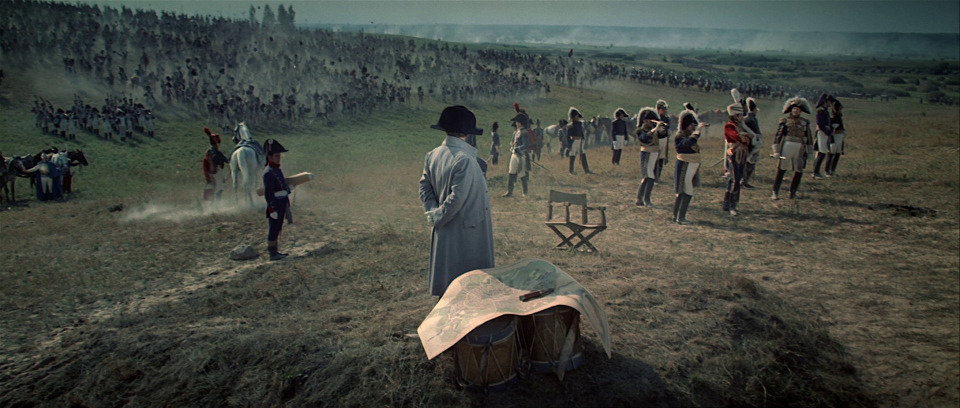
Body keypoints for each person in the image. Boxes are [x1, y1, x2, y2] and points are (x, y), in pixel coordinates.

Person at [419, 105, 495, 297]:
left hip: (448, 226)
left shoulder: (433, 155)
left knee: (450, 280)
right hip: (466, 230)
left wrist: (433, 211)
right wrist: (438, 216)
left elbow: (425, 187)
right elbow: (457, 198)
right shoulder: (464, 159)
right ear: (467, 133)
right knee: (467, 284)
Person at [771, 97, 813, 200]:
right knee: (782, 169)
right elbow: (778, 136)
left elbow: (809, 137)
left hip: (800, 148)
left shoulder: (805, 122)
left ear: (801, 111)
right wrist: (776, 150)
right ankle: (775, 192)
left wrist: (810, 151)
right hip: (787, 146)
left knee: (798, 170)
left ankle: (792, 192)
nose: (795, 111)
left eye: (797, 109)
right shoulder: (785, 121)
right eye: (794, 109)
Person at [673, 109, 707, 224]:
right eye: (691, 124)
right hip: (684, 165)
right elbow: (687, 144)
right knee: (685, 190)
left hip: (690, 165)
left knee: (686, 190)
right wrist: (697, 132)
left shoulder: (688, 135)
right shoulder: (679, 136)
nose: (693, 126)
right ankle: (679, 217)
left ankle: (677, 216)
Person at [263, 139, 291, 261]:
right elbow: (269, 193)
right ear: (270, 157)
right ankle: (272, 253)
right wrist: (272, 208)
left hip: (282, 201)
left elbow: (281, 185)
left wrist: (288, 190)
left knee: (278, 226)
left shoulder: (276, 169)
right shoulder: (268, 172)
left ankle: (276, 251)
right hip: (276, 204)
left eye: (279, 156)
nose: (278, 158)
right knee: (274, 228)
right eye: (276, 156)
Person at [723, 103, 751, 216]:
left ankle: (726, 203)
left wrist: (745, 135)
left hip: (741, 154)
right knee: (735, 180)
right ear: (735, 116)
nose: (742, 117)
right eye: (740, 115)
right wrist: (744, 136)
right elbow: (737, 137)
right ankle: (732, 205)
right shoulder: (729, 126)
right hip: (734, 154)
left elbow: (748, 138)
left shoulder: (739, 126)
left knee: (734, 179)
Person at [634, 107, 663, 207]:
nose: (651, 123)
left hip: (654, 154)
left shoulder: (652, 129)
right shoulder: (640, 130)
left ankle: (642, 198)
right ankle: (644, 199)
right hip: (646, 154)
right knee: (648, 176)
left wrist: (662, 129)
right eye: (650, 121)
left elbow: (662, 135)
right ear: (645, 121)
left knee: (649, 177)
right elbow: (645, 137)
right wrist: (655, 129)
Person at [503, 109, 531, 197]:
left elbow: (526, 145)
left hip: (521, 155)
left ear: (520, 123)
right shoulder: (515, 132)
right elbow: (513, 142)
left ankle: (525, 192)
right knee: (511, 172)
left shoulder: (524, 132)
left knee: (522, 173)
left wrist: (518, 149)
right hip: (514, 154)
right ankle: (509, 191)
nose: (515, 123)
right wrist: (512, 146)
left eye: (516, 122)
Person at [202, 127, 230, 202]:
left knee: (212, 186)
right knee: (220, 187)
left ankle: (211, 202)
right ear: (217, 143)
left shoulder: (208, 151)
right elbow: (226, 160)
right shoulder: (218, 152)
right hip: (217, 172)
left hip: (209, 173)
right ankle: (217, 203)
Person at [741, 98, 763, 189]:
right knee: (748, 163)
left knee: (749, 163)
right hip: (749, 143)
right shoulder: (749, 119)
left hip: (752, 143)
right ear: (754, 110)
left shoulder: (750, 119)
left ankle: (744, 181)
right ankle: (744, 181)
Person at [811, 93, 834, 180]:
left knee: (822, 152)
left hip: (825, 133)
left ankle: (816, 172)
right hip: (822, 132)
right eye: (829, 102)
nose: (830, 104)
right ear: (825, 101)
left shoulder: (825, 111)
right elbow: (820, 124)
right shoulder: (821, 111)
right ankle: (815, 172)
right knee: (821, 152)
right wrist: (828, 131)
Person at [566, 107, 593, 175]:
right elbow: (568, 137)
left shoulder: (579, 124)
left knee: (583, 155)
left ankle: (586, 170)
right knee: (572, 156)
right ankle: (571, 171)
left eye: (577, 116)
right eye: (576, 116)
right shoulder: (570, 125)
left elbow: (581, 132)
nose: (577, 117)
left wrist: (583, 140)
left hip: (580, 141)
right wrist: (569, 146)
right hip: (573, 142)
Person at [825, 98, 846, 176]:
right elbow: (831, 128)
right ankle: (827, 170)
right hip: (834, 137)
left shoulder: (838, 117)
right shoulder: (833, 117)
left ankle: (832, 170)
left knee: (837, 154)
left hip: (839, 137)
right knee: (831, 154)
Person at [653, 99, 671, 183]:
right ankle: (653, 176)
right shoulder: (654, 118)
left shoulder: (666, 119)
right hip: (656, 140)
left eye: (665, 109)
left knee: (661, 158)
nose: (664, 111)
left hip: (663, 139)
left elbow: (667, 129)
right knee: (654, 159)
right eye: (663, 109)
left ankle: (658, 177)